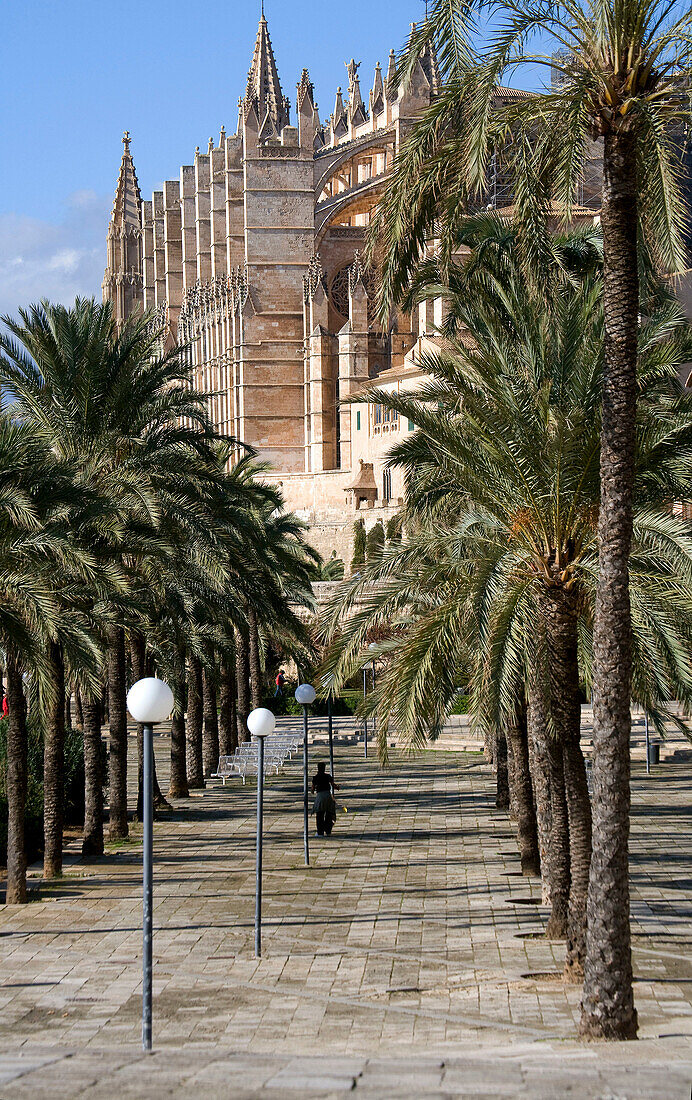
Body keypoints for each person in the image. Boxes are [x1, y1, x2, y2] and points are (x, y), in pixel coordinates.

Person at [311, 761, 338, 836]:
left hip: (320, 796)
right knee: (329, 813)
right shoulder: (328, 776)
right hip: (328, 795)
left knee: (319, 814)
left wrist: (312, 791)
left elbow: (312, 789)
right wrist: (337, 787)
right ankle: (328, 830)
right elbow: (333, 785)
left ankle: (320, 832)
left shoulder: (315, 777)